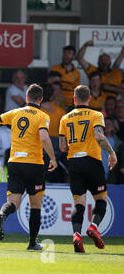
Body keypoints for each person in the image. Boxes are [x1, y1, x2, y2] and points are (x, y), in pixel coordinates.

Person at [0, 84, 58, 251]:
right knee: (35, 206)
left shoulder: (16, 112)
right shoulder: (42, 115)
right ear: (41, 99)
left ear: (26, 97)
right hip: (34, 164)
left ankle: (3, 214)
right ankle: (32, 243)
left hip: (15, 162)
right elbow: (44, 138)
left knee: (13, 203)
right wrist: (53, 158)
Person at [59, 85, 117, 253]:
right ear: (89, 99)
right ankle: (93, 226)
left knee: (79, 202)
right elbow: (99, 136)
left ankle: (76, 235)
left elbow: (63, 147)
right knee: (101, 199)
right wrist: (112, 153)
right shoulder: (96, 115)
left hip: (74, 163)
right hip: (92, 161)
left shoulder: (65, 118)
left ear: (74, 99)